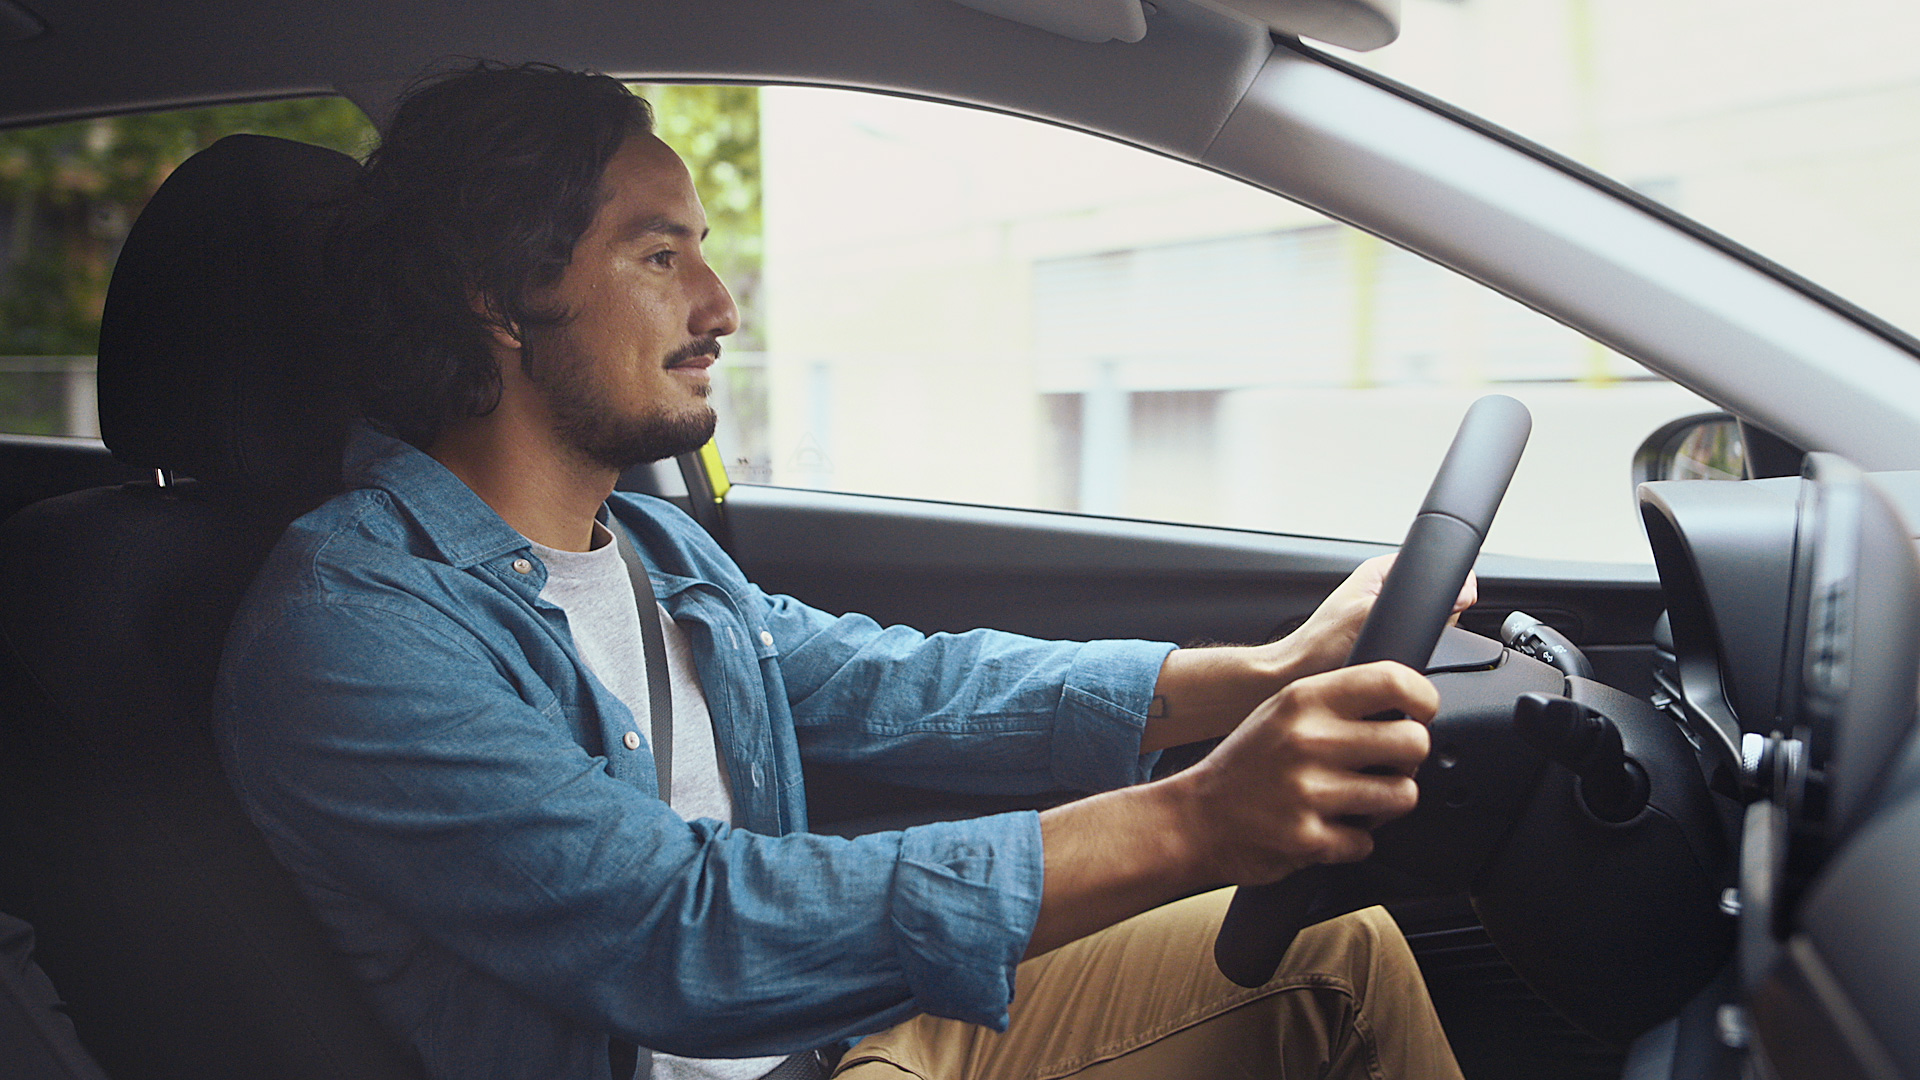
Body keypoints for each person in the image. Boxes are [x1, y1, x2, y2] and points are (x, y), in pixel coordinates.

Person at [214, 63, 1467, 1080]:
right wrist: (1193, 821)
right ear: (497, 298)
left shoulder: (651, 549)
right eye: (660, 258)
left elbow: (901, 685)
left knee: (1339, 951)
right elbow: (679, 935)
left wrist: (1259, 677)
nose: (719, 306)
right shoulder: (352, 630)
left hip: (824, 1049)